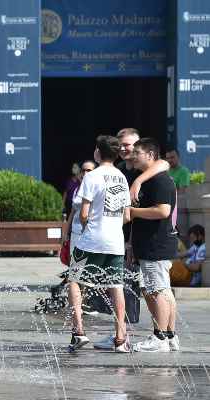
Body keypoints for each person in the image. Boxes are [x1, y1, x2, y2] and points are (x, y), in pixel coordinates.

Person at [92, 127, 170, 350]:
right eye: (122, 145)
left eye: (130, 146)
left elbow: (163, 163)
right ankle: (121, 334)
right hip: (122, 239)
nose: (127, 149)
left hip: (143, 240)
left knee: (153, 288)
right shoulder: (118, 171)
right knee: (122, 288)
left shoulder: (146, 170)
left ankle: (163, 336)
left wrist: (138, 182)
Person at [66, 136, 131, 353]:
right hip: (115, 241)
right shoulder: (122, 178)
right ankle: (121, 337)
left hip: (92, 238)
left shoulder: (92, 176)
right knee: (116, 286)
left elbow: (83, 213)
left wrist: (89, 226)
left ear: (97, 153)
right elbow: (127, 215)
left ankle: (79, 331)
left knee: (75, 280)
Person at [129, 138, 180, 352]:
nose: (133, 156)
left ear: (150, 155)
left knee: (158, 290)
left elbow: (163, 211)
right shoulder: (152, 178)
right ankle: (169, 336)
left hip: (155, 244)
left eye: (137, 153)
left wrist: (132, 212)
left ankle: (159, 338)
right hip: (152, 244)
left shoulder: (159, 180)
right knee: (163, 290)